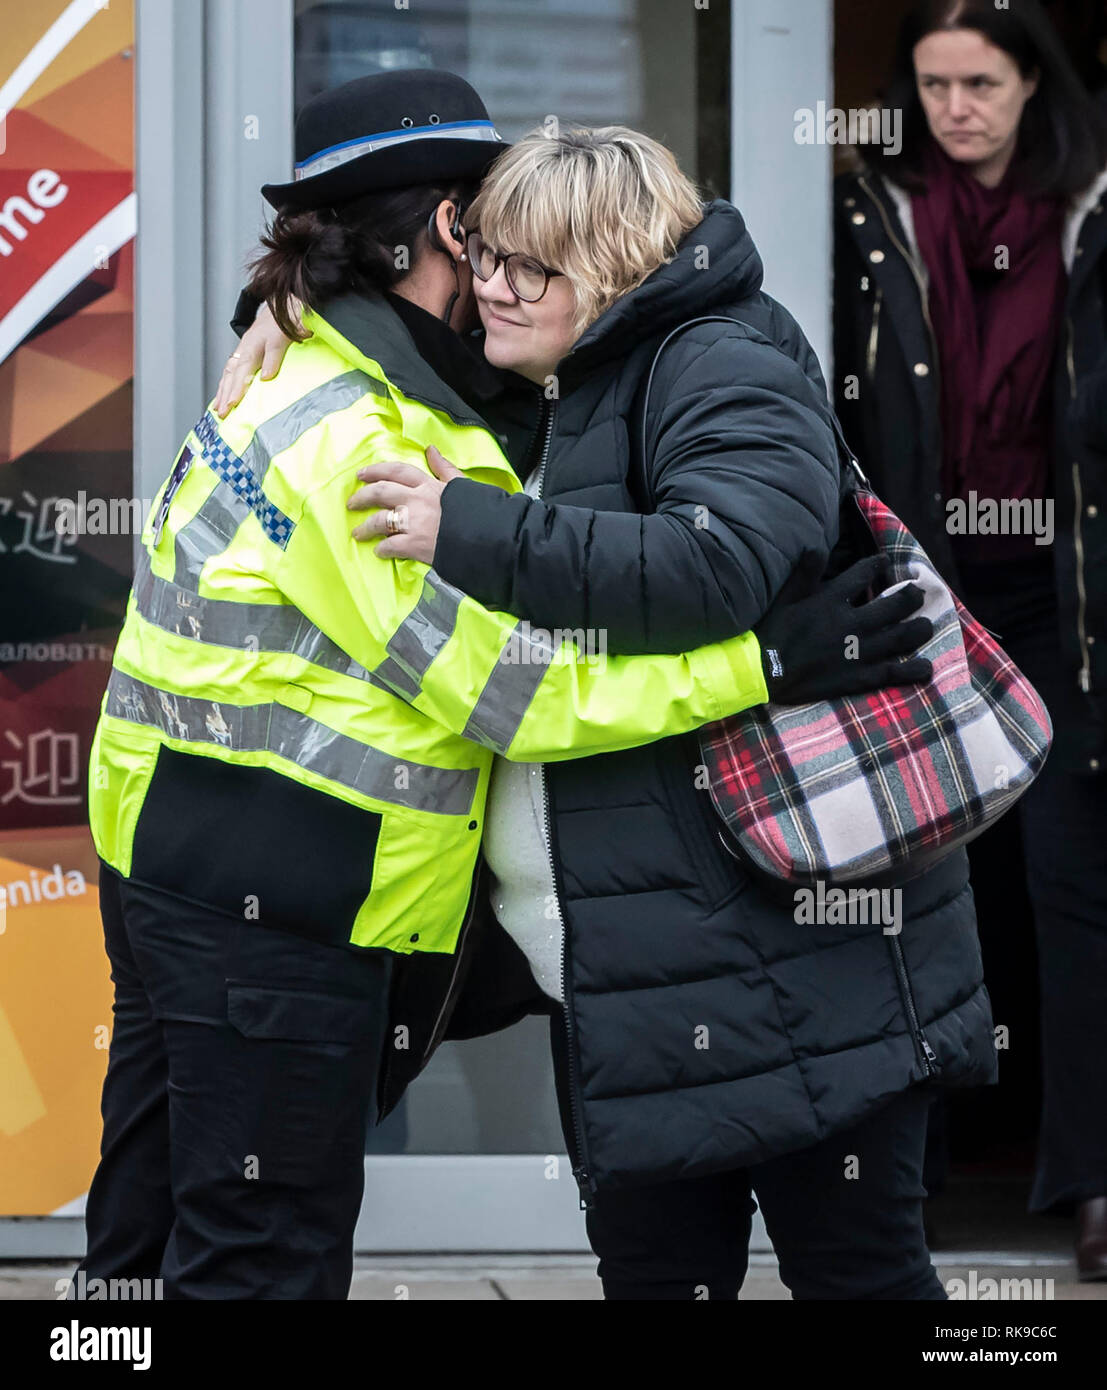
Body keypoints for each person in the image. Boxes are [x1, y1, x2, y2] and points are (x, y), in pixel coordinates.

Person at [78, 71, 930, 1302]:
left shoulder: (308, 365)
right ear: (441, 232)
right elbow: (514, 695)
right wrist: (764, 663)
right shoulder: (368, 440)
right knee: (258, 1259)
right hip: (276, 910)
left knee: (146, 1258)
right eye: (493, 235)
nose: (500, 278)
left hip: (182, 862)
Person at [833, 0, 1107, 1277]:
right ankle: (906, 1183)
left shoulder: (1090, 207)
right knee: (918, 883)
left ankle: (1093, 1181)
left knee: (1070, 881)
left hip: (1065, 590)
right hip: (926, 587)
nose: (956, 109)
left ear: (1031, 85)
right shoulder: (869, 210)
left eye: (982, 83)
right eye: (935, 84)